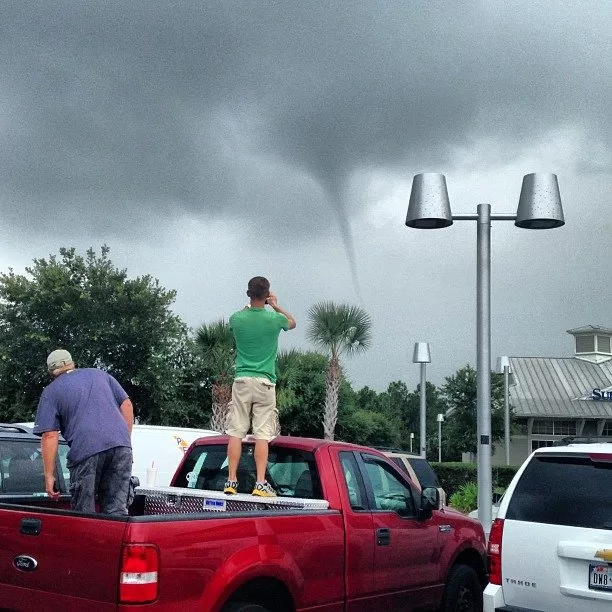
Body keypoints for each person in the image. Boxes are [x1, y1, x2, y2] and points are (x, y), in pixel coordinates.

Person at [33, 349, 134, 515]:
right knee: (116, 511)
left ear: (51, 372)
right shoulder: (100, 374)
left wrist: (49, 477)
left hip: (86, 450)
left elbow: (49, 435)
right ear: (71, 362)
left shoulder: (51, 391)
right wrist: (125, 440)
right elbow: (127, 405)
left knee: (84, 514)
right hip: (121, 447)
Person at [224, 277, 296, 497]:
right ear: (267, 295)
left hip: (242, 380)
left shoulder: (237, 318)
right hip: (265, 382)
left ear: (248, 294)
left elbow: (234, 323)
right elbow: (292, 322)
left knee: (236, 431)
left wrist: (251, 306)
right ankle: (261, 482)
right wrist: (274, 305)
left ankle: (231, 481)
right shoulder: (275, 319)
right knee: (262, 435)